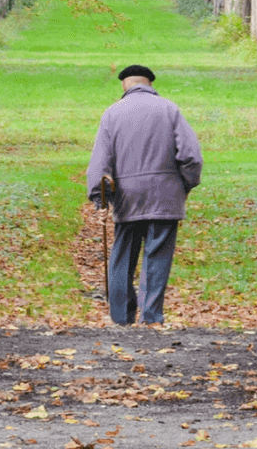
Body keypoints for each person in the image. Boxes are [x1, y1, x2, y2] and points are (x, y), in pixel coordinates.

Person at [87, 64, 203, 326]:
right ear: (150, 84)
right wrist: (185, 185)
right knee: (157, 254)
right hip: (165, 195)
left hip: (127, 197)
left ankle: (120, 317)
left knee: (122, 256)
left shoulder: (112, 114)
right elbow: (191, 156)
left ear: (124, 85)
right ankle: (150, 317)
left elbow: (100, 162)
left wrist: (99, 196)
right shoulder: (169, 109)